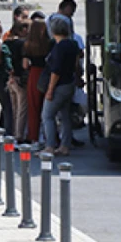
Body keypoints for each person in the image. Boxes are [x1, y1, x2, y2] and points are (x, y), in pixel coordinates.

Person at [42, 19, 81, 155]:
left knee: (47, 115)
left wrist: (50, 89)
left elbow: (56, 70)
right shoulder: (73, 44)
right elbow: (76, 64)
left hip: (59, 84)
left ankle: (50, 146)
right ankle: (65, 145)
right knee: (65, 116)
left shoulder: (59, 47)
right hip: (69, 82)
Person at [22, 19, 53, 147]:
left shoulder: (27, 44)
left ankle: (34, 137)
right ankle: (49, 137)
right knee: (48, 109)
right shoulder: (50, 43)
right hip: (47, 74)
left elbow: (24, 65)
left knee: (33, 107)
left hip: (34, 74)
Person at [4, 21, 30, 142]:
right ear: (22, 30)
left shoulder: (6, 43)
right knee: (22, 109)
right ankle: (19, 135)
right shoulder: (23, 44)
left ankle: (14, 133)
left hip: (10, 78)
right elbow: (25, 64)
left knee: (14, 108)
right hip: (20, 79)